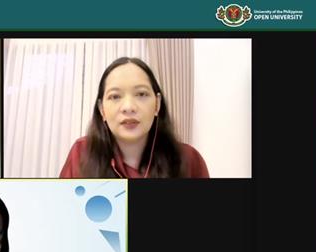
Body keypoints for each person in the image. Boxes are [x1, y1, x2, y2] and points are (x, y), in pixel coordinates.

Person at [60, 57, 209, 178]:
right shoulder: (81, 154)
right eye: (115, 96)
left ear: (157, 104)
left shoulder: (189, 159)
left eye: (141, 94)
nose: (129, 107)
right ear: (102, 109)